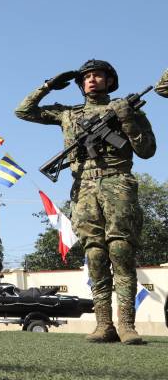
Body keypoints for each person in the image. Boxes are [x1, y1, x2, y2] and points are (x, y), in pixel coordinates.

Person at [15, 59, 158, 345]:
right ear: (81, 84)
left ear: (109, 80)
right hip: (83, 186)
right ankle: (104, 324)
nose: (92, 80)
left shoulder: (125, 109)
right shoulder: (68, 113)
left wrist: (127, 119)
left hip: (118, 181)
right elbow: (22, 111)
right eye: (87, 77)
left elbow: (147, 150)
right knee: (94, 253)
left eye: (98, 75)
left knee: (120, 250)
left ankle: (127, 325)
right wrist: (47, 86)